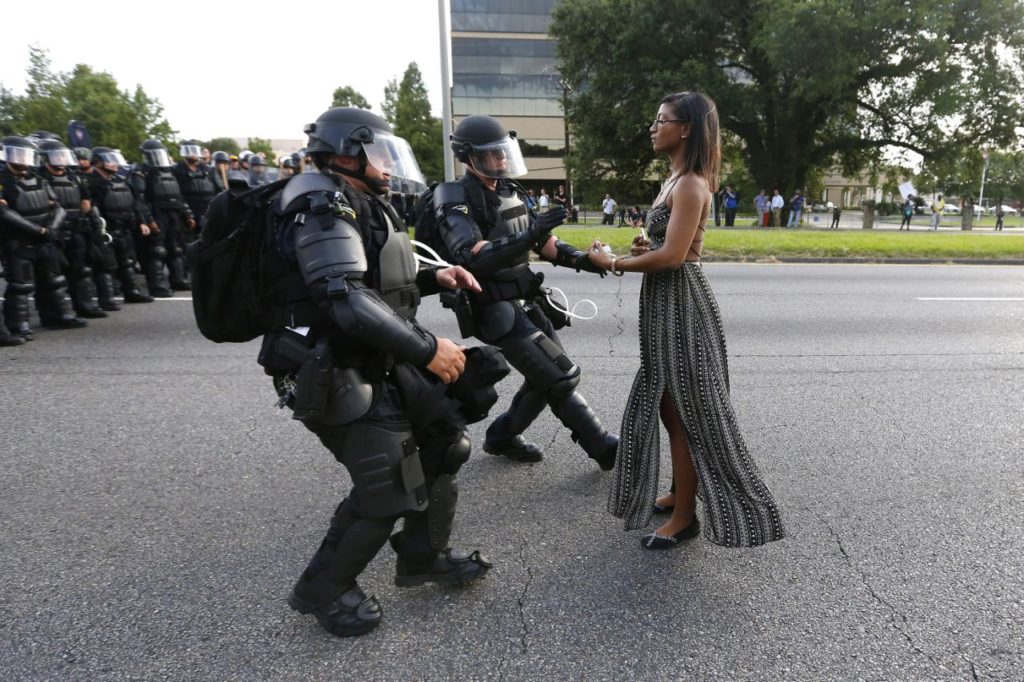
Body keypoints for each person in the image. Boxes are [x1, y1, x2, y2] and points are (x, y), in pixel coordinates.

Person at [260, 107, 494, 638]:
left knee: (444, 444)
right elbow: (346, 298)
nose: (388, 166)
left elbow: (377, 278)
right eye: (379, 153)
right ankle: (323, 589)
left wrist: (437, 276)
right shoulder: (319, 203)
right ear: (346, 152)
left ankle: (422, 556)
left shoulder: (355, 200)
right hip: (333, 366)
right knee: (388, 485)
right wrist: (429, 348)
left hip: (376, 356)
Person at [586, 92, 784, 550]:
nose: (654, 127)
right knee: (668, 406)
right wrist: (643, 248)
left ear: (687, 128)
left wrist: (613, 262)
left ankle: (685, 517)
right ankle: (680, 491)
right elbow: (665, 246)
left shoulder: (692, 183)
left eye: (662, 120)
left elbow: (675, 257)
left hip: (682, 305)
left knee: (687, 412)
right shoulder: (674, 181)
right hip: (664, 302)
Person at [432, 114, 619, 469]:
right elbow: (470, 257)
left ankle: (502, 436)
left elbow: (544, 242)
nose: (502, 159)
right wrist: (530, 235)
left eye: (504, 152)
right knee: (560, 375)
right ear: (469, 156)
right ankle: (603, 447)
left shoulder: (509, 190)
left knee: (545, 376)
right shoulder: (454, 195)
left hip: (525, 298)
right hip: (492, 306)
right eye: (493, 153)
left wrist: (585, 260)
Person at [1, 136, 88, 338]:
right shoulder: (3, 181)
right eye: (18, 154)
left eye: (26, 154)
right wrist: (38, 231)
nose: (22, 159)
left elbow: (58, 206)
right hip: (18, 240)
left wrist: (51, 229)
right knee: (21, 285)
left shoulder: (40, 179)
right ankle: (18, 325)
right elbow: (4, 212)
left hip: (45, 237)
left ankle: (57, 316)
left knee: (54, 280)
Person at [37, 139, 108, 318]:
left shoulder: (74, 176)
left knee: (81, 270)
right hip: (53, 232)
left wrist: (94, 223)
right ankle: (53, 314)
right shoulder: (40, 178)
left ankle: (84, 306)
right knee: (52, 276)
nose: (61, 159)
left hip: (77, 229)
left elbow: (86, 202)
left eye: (62, 155)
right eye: (56, 155)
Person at [87, 147, 155, 305]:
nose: (114, 164)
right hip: (105, 230)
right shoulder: (91, 182)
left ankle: (132, 292)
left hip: (124, 228)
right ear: (98, 162)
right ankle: (107, 299)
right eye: (109, 160)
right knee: (106, 266)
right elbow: (89, 207)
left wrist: (142, 222)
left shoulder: (121, 180)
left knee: (127, 262)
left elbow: (135, 203)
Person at [129, 140, 196, 293]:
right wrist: (148, 220)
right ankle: (157, 285)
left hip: (174, 213)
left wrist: (188, 214)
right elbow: (139, 199)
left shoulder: (169, 171)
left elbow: (178, 195)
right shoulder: (141, 172)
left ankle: (178, 279)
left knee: (177, 249)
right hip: (156, 213)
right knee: (157, 250)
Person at [172, 141, 218, 233]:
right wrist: (187, 214)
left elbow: (219, 190)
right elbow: (176, 193)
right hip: (187, 213)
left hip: (208, 212)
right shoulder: (176, 169)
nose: (192, 154)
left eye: (194, 150)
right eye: (189, 151)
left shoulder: (209, 169)